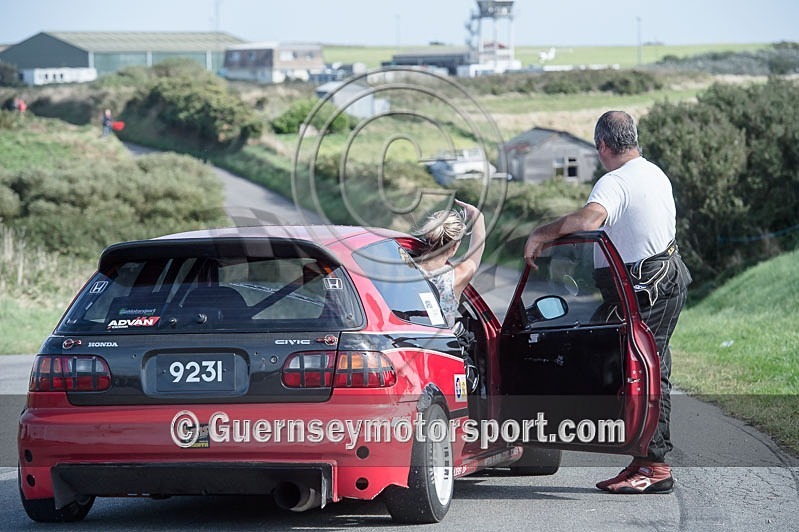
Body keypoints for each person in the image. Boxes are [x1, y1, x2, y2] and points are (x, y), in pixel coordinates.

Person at [523, 110, 691, 495]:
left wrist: (542, 233)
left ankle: (655, 465)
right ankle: (646, 459)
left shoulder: (613, 183)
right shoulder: (654, 173)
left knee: (646, 372)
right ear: (632, 138)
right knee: (646, 367)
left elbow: (590, 219)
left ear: (602, 145)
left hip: (645, 288)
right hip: (656, 283)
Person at [414, 199, 486, 329]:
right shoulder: (454, 279)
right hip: (442, 346)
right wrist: (478, 216)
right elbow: (476, 251)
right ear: (454, 248)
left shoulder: (404, 270)